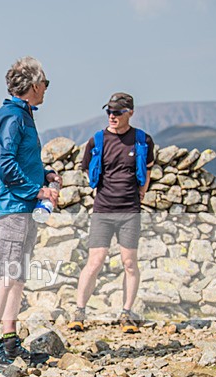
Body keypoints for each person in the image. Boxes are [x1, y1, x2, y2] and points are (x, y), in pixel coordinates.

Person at [0, 56, 60, 374]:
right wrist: (37, 190)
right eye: (46, 84)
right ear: (34, 84)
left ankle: (9, 341)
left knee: (15, 276)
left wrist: (46, 175)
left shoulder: (18, 115)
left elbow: (20, 161)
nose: (47, 90)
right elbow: (4, 163)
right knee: (3, 275)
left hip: (19, 206)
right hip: (11, 206)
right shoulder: (12, 116)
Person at [68, 93, 154, 334]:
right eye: (109, 112)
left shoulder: (143, 140)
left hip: (130, 210)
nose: (112, 116)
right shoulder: (97, 141)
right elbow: (87, 169)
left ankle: (126, 313)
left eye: (117, 112)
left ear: (130, 112)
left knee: (129, 263)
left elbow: (147, 172)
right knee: (94, 262)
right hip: (103, 210)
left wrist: (141, 194)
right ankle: (79, 312)